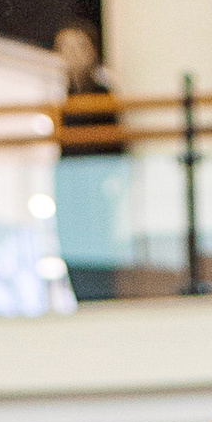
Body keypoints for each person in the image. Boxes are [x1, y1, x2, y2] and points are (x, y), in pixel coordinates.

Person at [52, 21, 125, 304]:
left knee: (95, 248)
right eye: (65, 47)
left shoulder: (101, 95)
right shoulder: (64, 95)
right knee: (72, 247)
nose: (72, 54)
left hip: (93, 190)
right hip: (70, 188)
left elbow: (115, 144)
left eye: (79, 46)